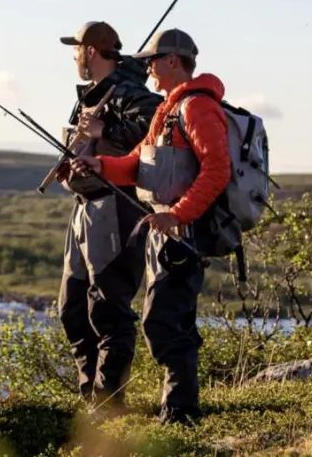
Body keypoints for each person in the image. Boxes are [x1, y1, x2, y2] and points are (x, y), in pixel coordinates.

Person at [70, 28, 231, 425]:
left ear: (173, 61)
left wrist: (178, 215)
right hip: (166, 230)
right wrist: (100, 165)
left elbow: (217, 169)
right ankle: (175, 411)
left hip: (183, 232)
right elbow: (136, 166)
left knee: (165, 321)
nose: (145, 69)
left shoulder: (197, 108)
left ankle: (181, 414)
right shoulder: (167, 110)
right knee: (163, 320)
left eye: (152, 62)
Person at [55, 21, 162, 410]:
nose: (74, 58)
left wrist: (106, 127)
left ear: (91, 52)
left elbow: (155, 127)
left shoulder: (129, 92)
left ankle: (109, 404)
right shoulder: (90, 94)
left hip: (116, 206)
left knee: (108, 306)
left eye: (76, 50)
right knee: (71, 307)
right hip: (85, 208)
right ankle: (92, 399)